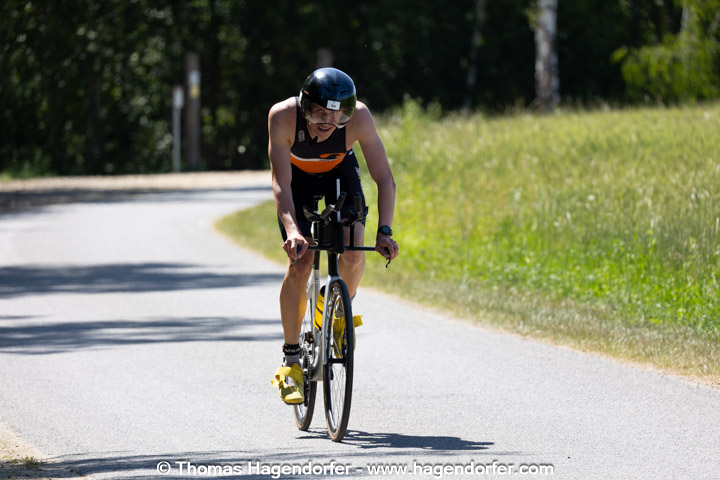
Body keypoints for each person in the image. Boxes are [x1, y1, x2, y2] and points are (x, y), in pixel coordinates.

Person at [268, 67, 399, 404]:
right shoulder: (282, 117)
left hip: (338, 172)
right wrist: (293, 230)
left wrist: (385, 230)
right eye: (318, 113)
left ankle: (336, 311)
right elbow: (281, 185)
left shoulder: (360, 118)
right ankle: (291, 361)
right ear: (304, 106)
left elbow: (384, 178)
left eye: (337, 114)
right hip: (296, 181)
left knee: (353, 252)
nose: (328, 121)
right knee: (301, 261)